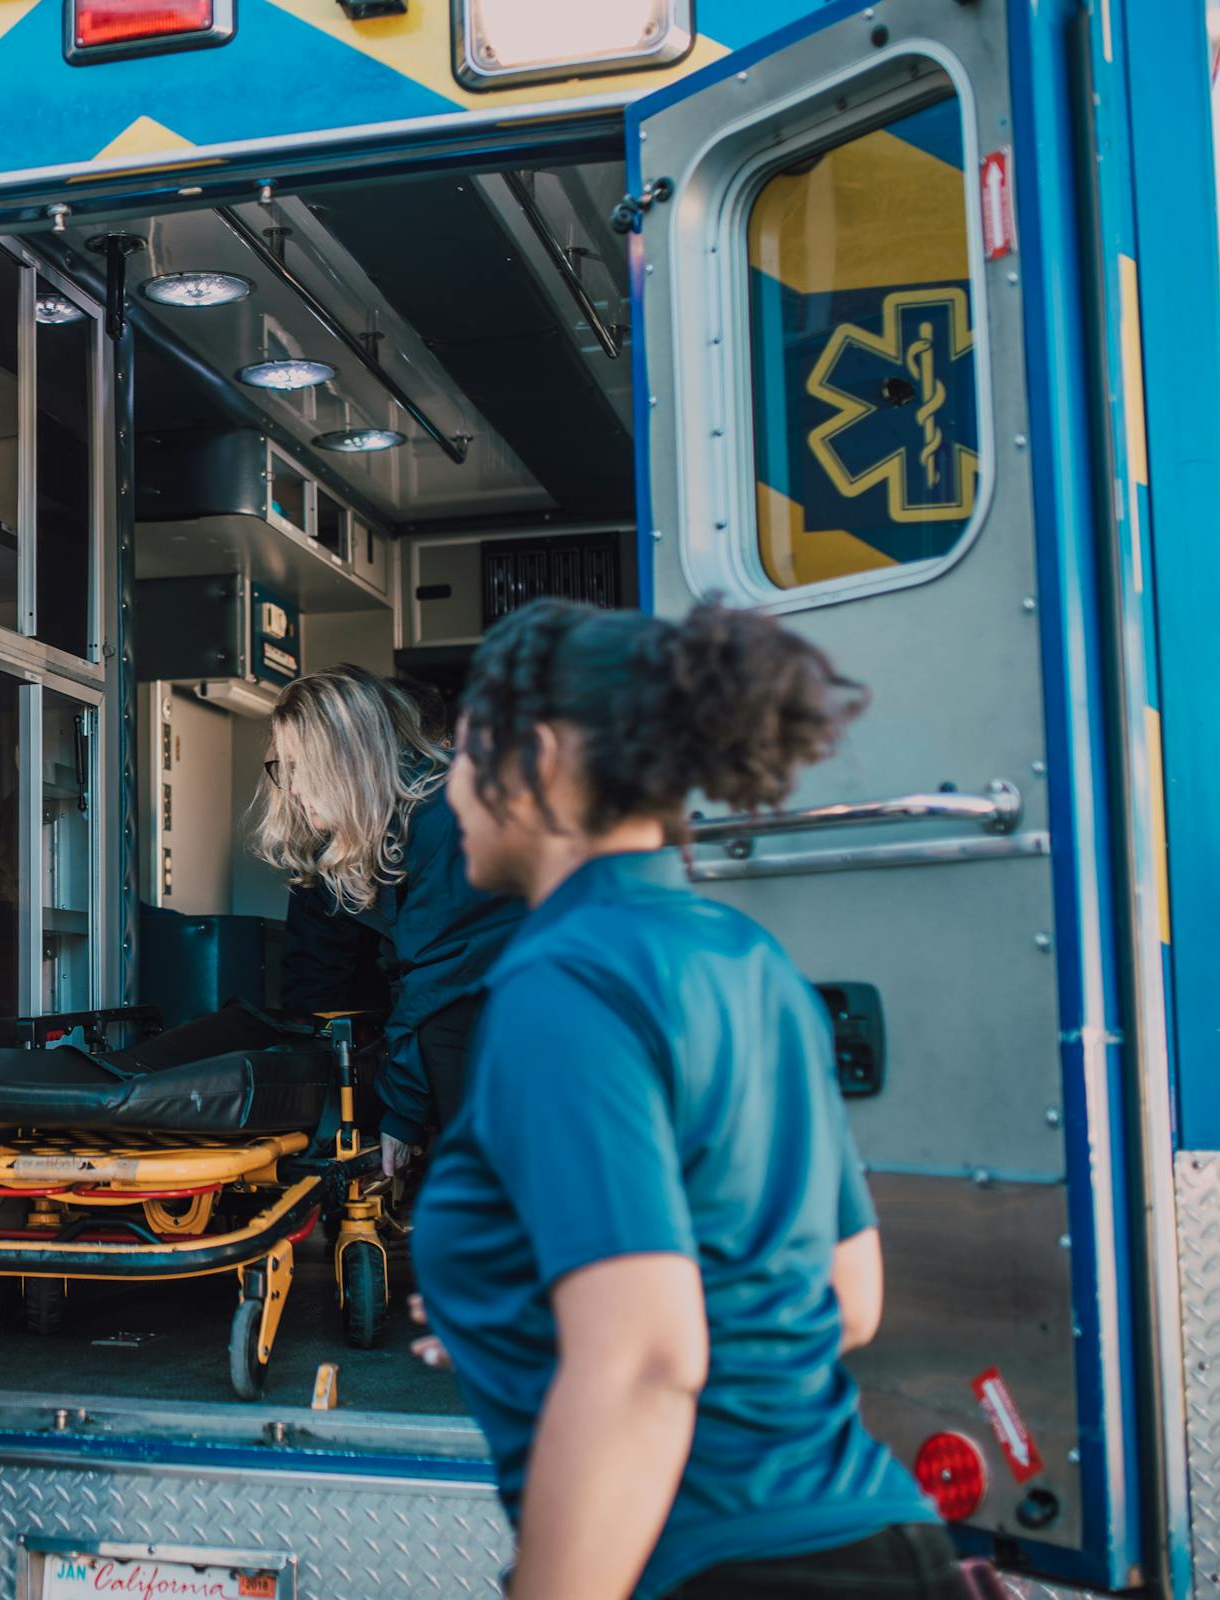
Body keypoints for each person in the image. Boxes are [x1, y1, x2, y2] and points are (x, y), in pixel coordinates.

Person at [410, 598, 955, 1600]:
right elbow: (847, 1296)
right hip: (876, 1539)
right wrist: (531, 1327)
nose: (449, 794)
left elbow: (646, 1361)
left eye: (458, 754)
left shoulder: (564, 981)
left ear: (532, 757)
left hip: (722, 1563)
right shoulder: (748, 956)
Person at [255, 666, 525, 1174]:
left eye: (301, 767)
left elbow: (435, 984)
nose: (291, 788)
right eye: (283, 768)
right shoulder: (403, 825)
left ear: (348, 761)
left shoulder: (447, 816)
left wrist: (401, 1113)